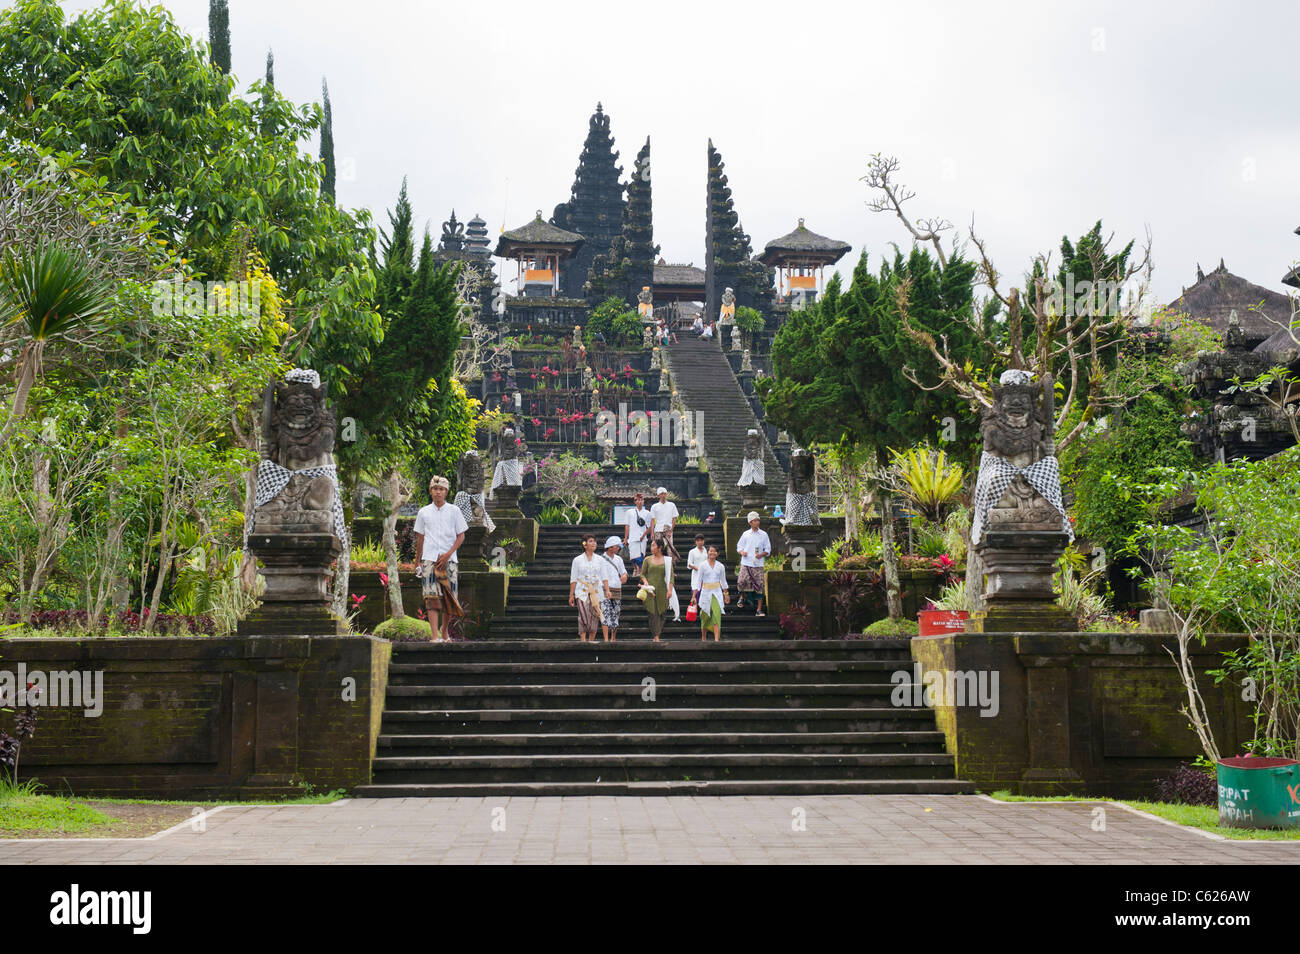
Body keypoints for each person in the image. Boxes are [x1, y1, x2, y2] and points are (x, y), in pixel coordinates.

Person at [413, 475, 467, 642]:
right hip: (429, 560)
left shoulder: (454, 511)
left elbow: (461, 536)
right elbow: (420, 539)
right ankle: (435, 635)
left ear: (446, 492)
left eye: (441, 489)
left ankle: (445, 632)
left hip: (449, 560)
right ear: (431, 491)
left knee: (449, 598)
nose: (438, 492)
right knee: (431, 598)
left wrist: (448, 554)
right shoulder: (423, 512)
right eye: (435, 489)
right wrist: (417, 561)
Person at [569, 532, 611, 642]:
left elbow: (604, 576)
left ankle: (591, 640)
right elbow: (573, 579)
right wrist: (571, 595)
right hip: (581, 591)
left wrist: (607, 590)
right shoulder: (577, 560)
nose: (594, 543)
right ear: (584, 544)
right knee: (583, 615)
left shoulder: (600, 560)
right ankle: (583, 640)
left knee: (594, 616)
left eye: (595, 541)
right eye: (591, 541)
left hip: (596, 591)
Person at [735, 510, 771, 617]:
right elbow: (739, 547)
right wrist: (742, 552)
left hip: (758, 563)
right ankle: (742, 597)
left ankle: (759, 609)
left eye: (758, 520)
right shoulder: (745, 534)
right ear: (750, 522)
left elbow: (768, 549)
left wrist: (761, 554)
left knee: (759, 586)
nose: (757, 522)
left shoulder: (763, 534)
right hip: (746, 562)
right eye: (755, 521)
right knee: (741, 582)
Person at [639, 535, 671, 642]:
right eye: (651, 546)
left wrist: (670, 590)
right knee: (653, 613)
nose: (651, 548)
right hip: (650, 590)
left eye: (653, 545)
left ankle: (657, 633)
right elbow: (642, 574)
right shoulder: (647, 560)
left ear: (660, 547)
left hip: (663, 589)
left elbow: (671, 578)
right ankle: (656, 636)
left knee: (662, 613)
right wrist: (646, 582)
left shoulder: (667, 560)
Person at [599, 536, 628, 642]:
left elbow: (623, 572)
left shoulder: (619, 559)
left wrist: (624, 576)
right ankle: (606, 638)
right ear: (610, 547)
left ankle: (613, 637)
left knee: (616, 612)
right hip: (603, 589)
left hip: (616, 588)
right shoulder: (600, 559)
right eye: (617, 546)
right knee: (605, 612)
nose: (618, 548)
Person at [697, 545, 729, 641]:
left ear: (717, 554)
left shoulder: (721, 566)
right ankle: (703, 638)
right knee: (705, 616)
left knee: (716, 615)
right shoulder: (702, 565)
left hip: (717, 594)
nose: (712, 553)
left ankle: (716, 640)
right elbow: (698, 581)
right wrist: (694, 595)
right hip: (705, 593)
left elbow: (723, 581)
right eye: (710, 551)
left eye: (714, 551)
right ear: (707, 552)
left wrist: (726, 594)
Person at [649, 487, 680, 562]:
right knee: (658, 549)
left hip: (668, 529)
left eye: (664, 494)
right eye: (661, 494)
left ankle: (671, 568)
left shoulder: (671, 505)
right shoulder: (654, 506)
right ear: (658, 495)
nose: (663, 495)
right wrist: (652, 533)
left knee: (670, 549)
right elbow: (653, 520)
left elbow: (674, 518)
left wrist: (671, 531)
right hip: (658, 530)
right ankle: (658, 564)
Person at [623, 492, 651, 570]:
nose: (639, 502)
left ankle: (640, 571)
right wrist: (625, 538)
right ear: (635, 502)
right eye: (638, 500)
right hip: (632, 537)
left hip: (642, 538)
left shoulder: (647, 513)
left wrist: (643, 535)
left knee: (641, 556)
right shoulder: (629, 512)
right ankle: (636, 569)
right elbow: (627, 525)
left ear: (643, 501)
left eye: (641, 500)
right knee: (633, 556)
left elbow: (650, 526)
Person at [686, 532, 708, 605]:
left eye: (701, 540)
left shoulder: (707, 551)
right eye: (698, 540)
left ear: (704, 541)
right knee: (696, 591)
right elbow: (689, 563)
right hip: (696, 574)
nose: (700, 542)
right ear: (695, 542)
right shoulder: (692, 551)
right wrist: (697, 569)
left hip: (706, 574)